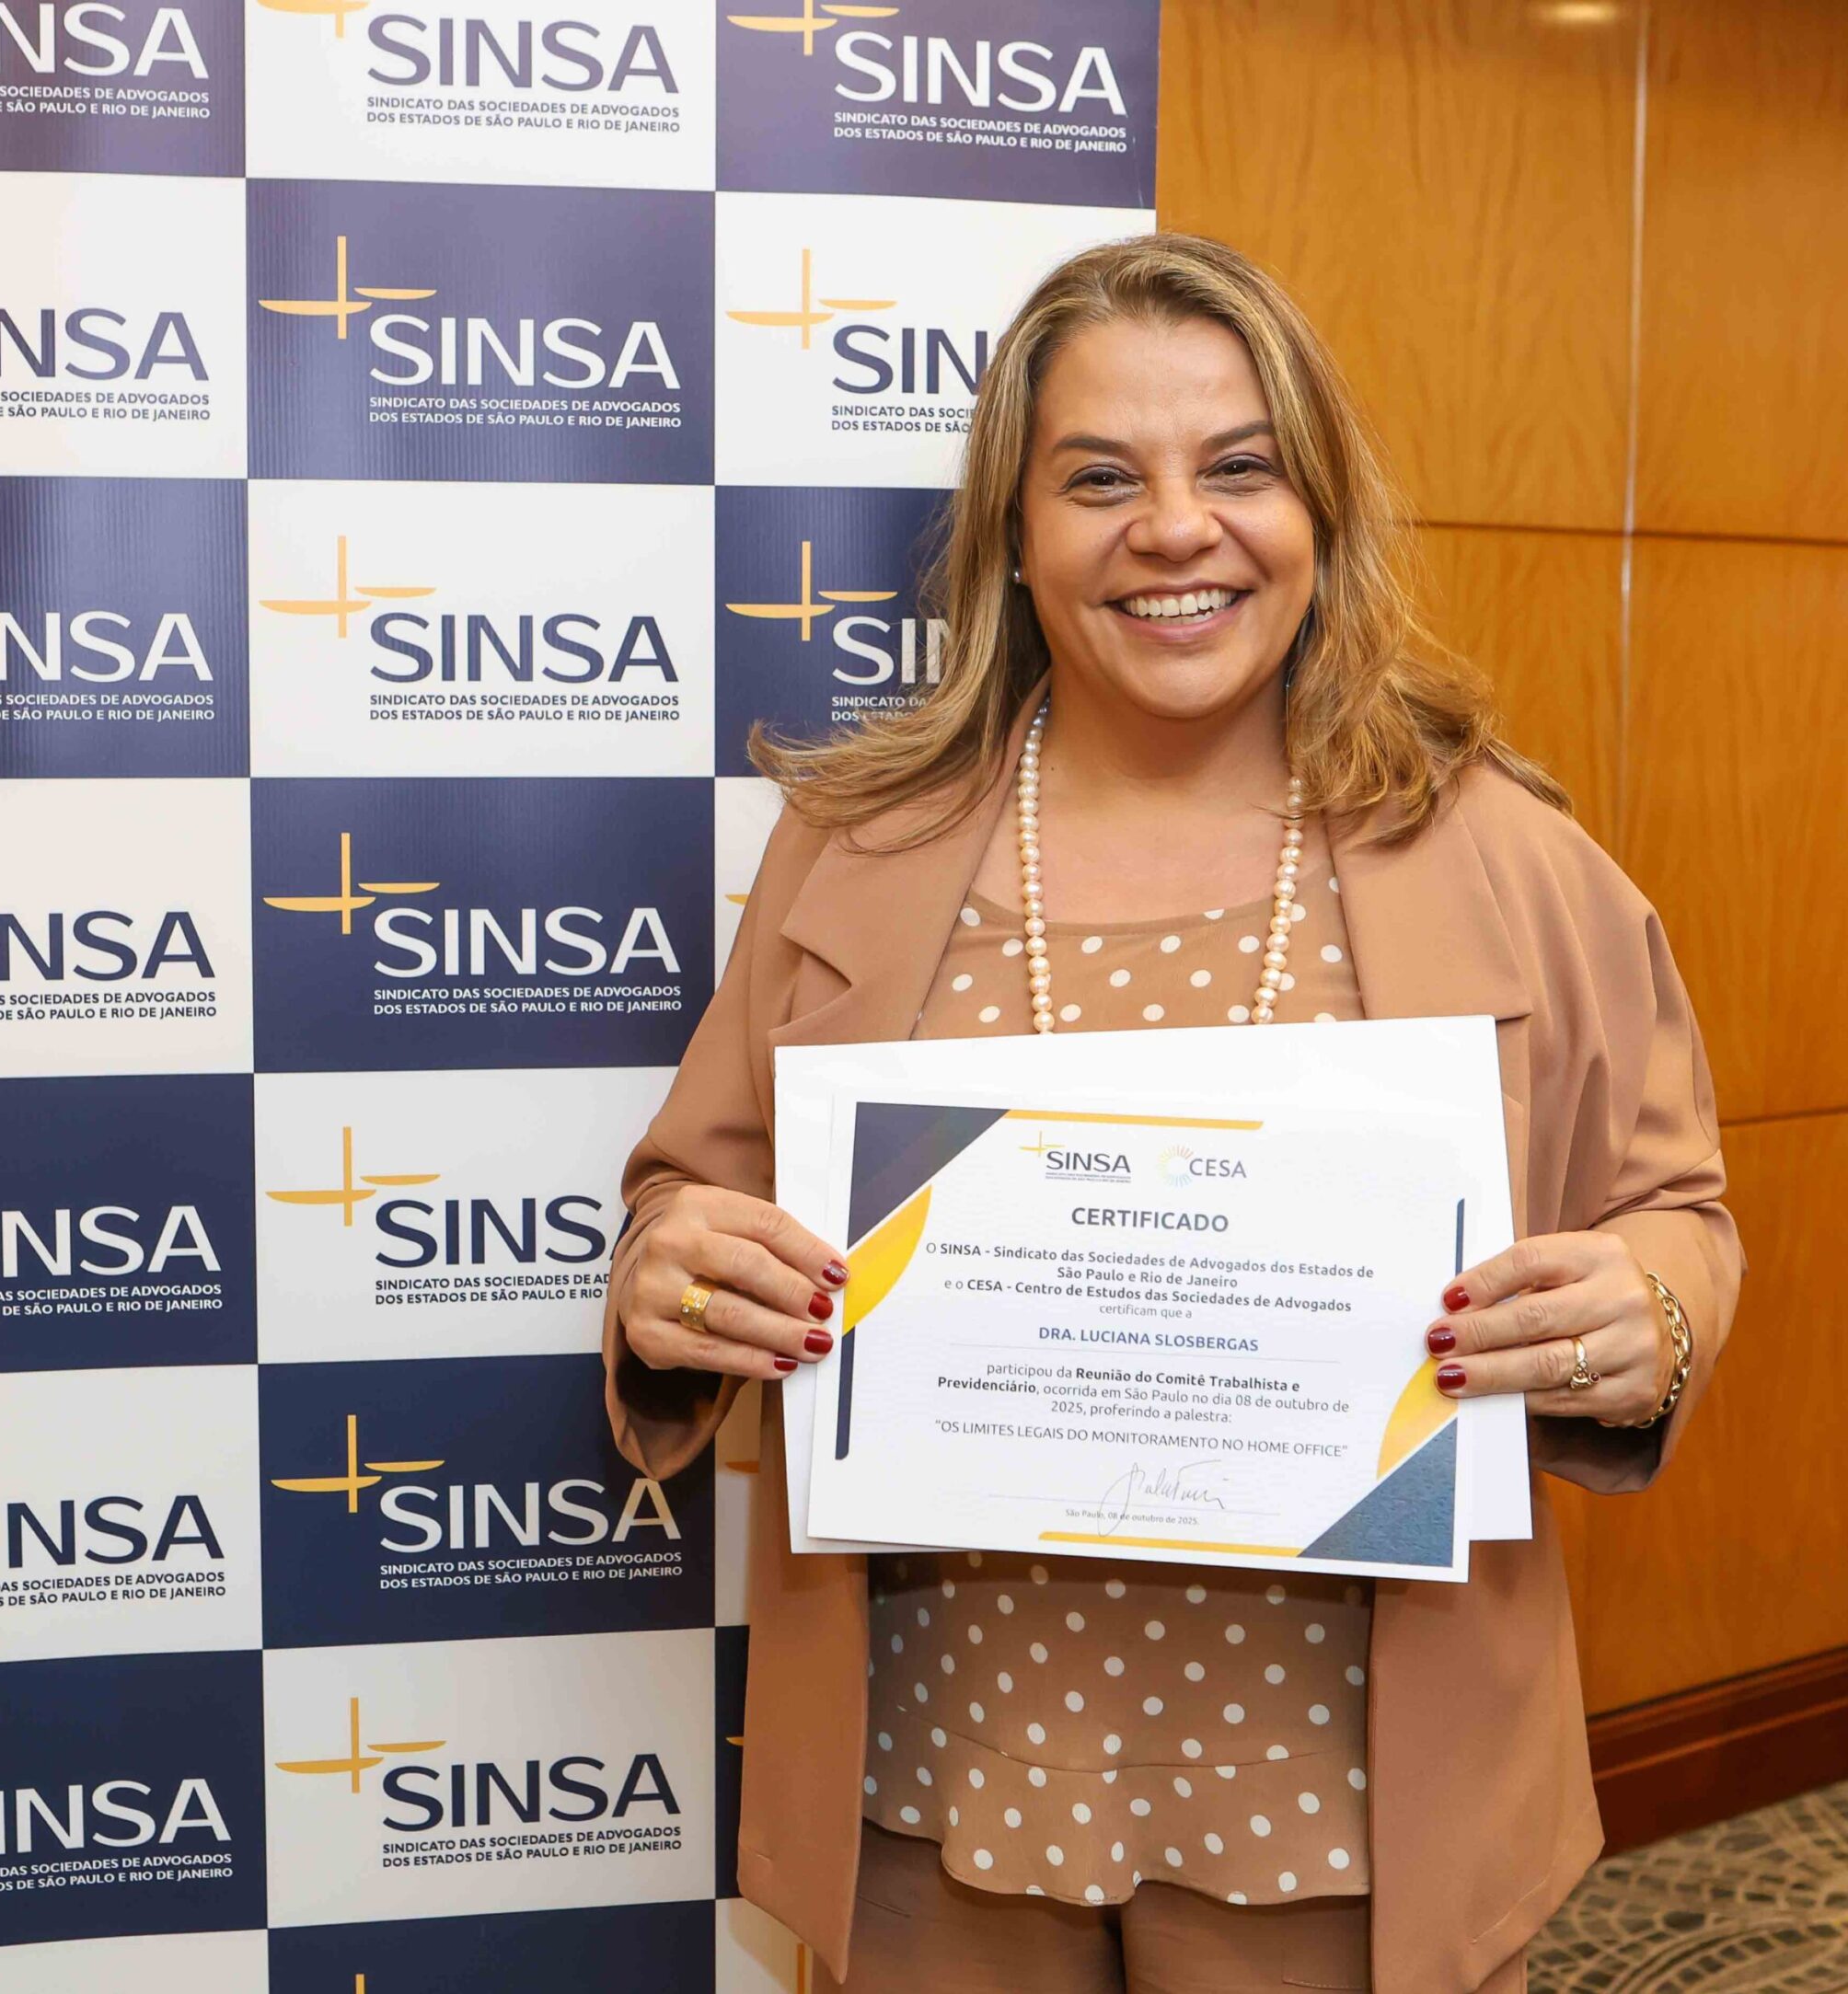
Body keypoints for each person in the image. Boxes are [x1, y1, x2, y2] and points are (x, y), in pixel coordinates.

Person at [599, 234, 1740, 1994]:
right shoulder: (855, 850)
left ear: (1318, 510)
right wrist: (677, 1274)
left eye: (1239, 467)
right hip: (939, 1784)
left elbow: (1677, 1217)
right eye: (1100, 479)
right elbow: (690, 1200)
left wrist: (1645, 1310)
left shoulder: (1503, 853)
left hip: (1356, 1810)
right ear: (1013, 534)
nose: (1176, 529)